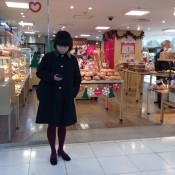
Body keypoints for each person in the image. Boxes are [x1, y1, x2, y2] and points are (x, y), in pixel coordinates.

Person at [35, 31, 81, 165]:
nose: (62, 49)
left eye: (65, 46)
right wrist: (51, 77)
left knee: (63, 124)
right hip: (50, 96)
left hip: (66, 97)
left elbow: (77, 78)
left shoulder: (72, 60)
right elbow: (39, 72)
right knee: (52, 124)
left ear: (69, 46)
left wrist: (73, 92)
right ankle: (53, 151)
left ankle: (61, 149)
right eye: (60, 46)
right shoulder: (48, 57)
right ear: (56, 45)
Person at [154, 40, 172, 108]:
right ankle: (160, 104)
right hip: (161, 74)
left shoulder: (170, 55)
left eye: (169, 46)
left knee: (170, 88)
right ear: (163, 46)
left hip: (169, 74)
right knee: (160, 89)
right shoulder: (159, 54)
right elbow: (157, 67)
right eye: (168, 46)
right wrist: (161, 71)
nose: (169, 47)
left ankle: (170, 103)